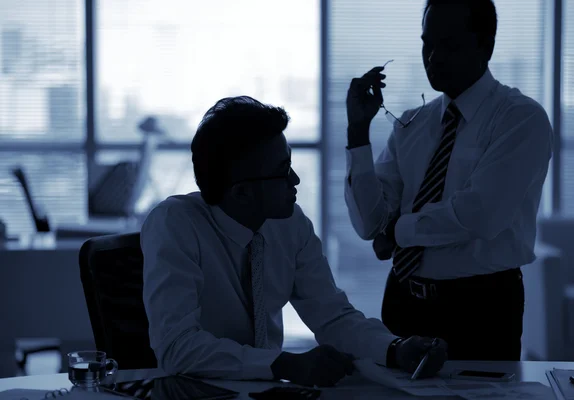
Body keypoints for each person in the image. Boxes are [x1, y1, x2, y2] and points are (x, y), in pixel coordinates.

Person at [141, 96, 447, 387]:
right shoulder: (175, 224)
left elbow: (332, 317)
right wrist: (283, 365)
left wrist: (395, 349)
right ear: (241, 192)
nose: (296, 180)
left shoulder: (290, 223)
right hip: (194, 391)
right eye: (282, 172)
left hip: (266, 391)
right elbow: (177, 348)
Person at [344, 0, 553, 361]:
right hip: (402, 299)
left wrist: (397, 233)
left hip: (480, 308)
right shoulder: (413, 123)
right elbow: (368, 224)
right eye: (428, 43)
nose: (434, 57)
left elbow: (480, 215)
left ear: (485, 46)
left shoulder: (520, 118)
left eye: (450, 44)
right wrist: (358, 133)